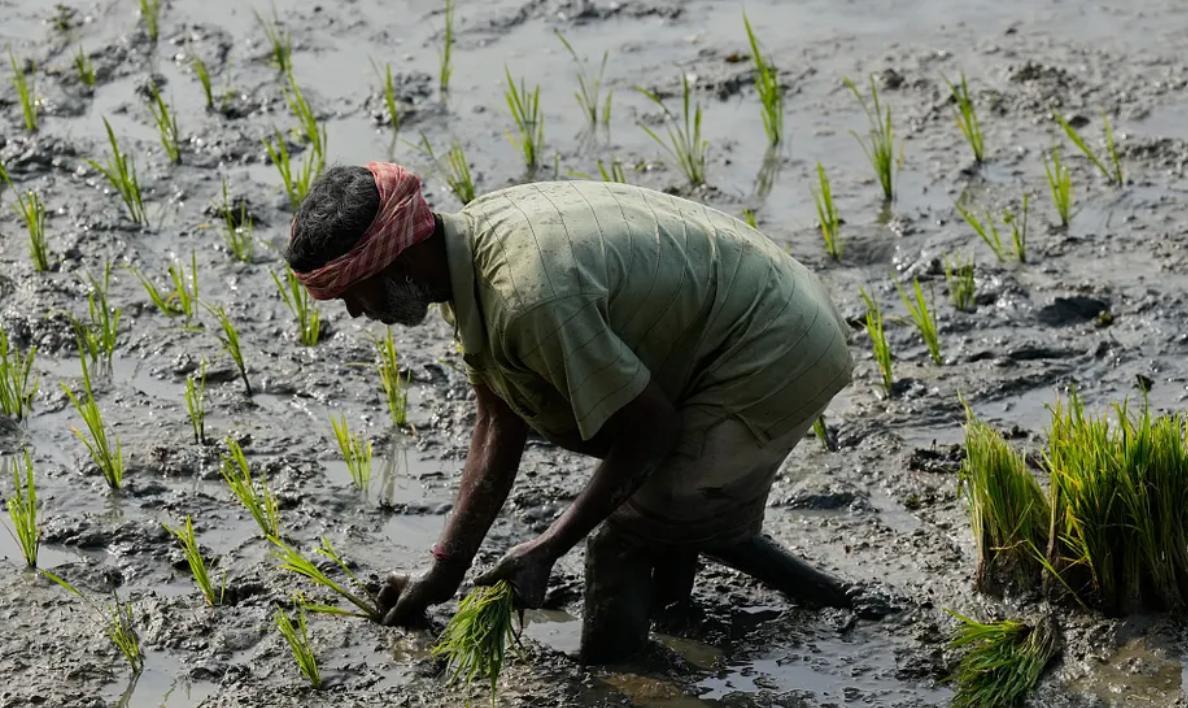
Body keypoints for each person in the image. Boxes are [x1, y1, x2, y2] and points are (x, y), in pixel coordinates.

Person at [287, 162, 867, 665]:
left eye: (356, 290)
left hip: (776, 346)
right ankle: (836, 602)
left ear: (403, 254)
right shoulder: (470, 252)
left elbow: (650, 430)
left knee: (621, 541)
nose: (357, 311)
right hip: (745, 318)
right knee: (673, 506)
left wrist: (547, 547)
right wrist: (444, 571)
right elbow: (499, 421)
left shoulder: (526, 296)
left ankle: (613, 681)